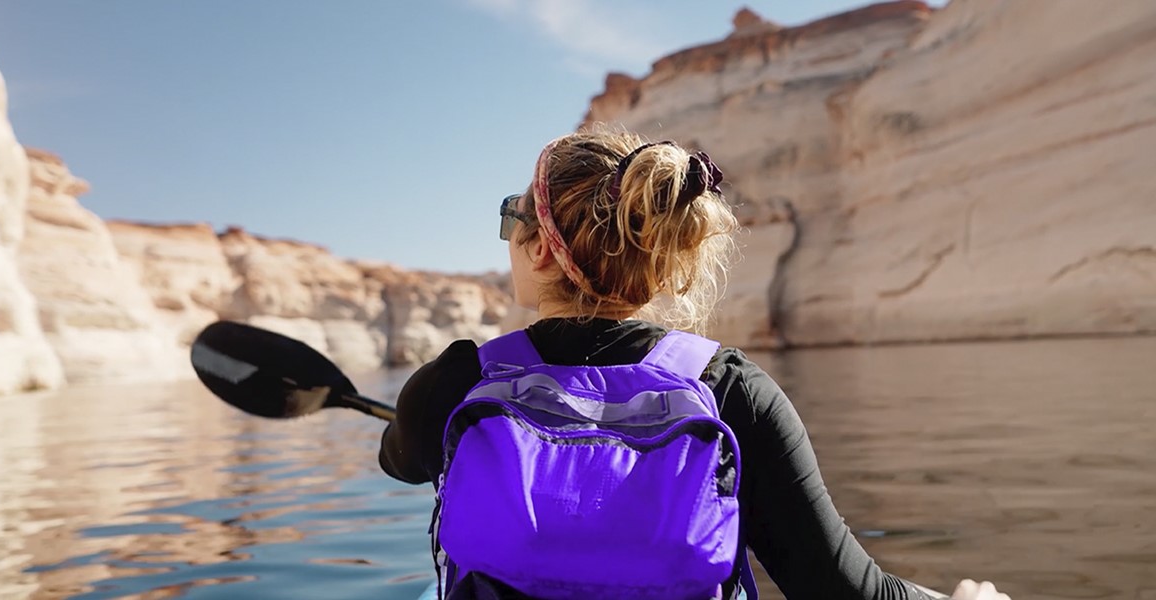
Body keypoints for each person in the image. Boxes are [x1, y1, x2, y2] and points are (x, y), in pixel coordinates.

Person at [379, 128, 1010, 600]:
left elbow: (398, 460)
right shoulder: (733, 390)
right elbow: (844, 589)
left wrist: (412, 420)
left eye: (511, 216)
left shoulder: (454, 385)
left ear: (541, 246)